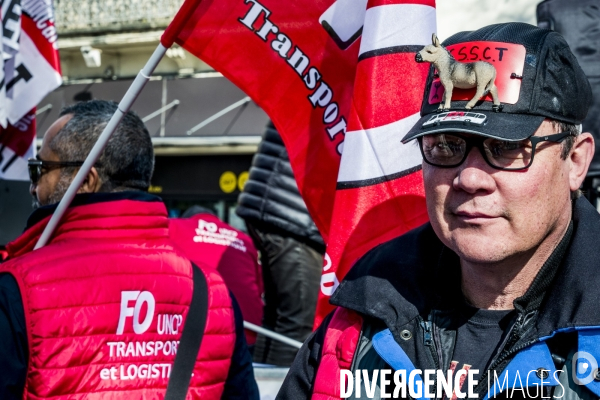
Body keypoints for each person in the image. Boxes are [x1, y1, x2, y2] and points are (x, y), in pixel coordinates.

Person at [278, 23, 599, 399]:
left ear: (575, 161)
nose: (470, 178)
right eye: (445, 145)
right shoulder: (356, 321)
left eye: (505, 148)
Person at [0, 100, 259, 399]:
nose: (33, 187)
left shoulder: (17, 288)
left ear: (85, 181)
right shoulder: (214, 293)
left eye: (40, 170)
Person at [236, 122, 325, 366]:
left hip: (278, 207)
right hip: (291, 216)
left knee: (277, 321)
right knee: (295, 323)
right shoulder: (349, 87)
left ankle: (264, 384)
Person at [169, 205, 264, 348]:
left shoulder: (175, 226)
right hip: (248, 335)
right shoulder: (243, 239)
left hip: (194, 334)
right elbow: (259, 288)